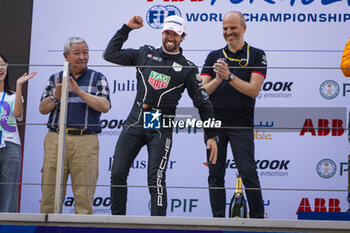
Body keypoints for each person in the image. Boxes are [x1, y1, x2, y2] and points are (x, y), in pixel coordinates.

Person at [103, 15, 218, 216]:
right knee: (118, 172)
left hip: (161, 124)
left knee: (155, 178)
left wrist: (210, 135)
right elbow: (109, 54)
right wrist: (126, 28)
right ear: (162, 33)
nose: (170, 37)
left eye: (176, 33)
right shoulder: (145, 53)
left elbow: (203, 103)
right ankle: (117, 222)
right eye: (167, 32)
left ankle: (158, 225)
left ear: (183, 37)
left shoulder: (189, 68)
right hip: (136, 118)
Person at [200, 11, 267, 218]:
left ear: (244, 28)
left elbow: (253, 90)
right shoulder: (213, 56)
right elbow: (202, 92)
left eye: (233, 28)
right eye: (225, 29)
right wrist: (219, 79)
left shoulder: (257, 54)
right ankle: (218, 222)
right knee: (215, 174)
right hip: (214, 125)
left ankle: (258, 221)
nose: (229, 32)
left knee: (248, 172)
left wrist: (228, 76)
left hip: (241, 124)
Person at [39, 37, 111, 214]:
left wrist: (79, 91)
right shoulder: (55, 78)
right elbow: (42, 109)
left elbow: (105, 106)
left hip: (85, 141)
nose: (82, 57)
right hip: (56, 138)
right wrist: (56, 95)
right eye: (77, 53)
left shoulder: (98, 78)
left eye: (85, 52)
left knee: (84, 198)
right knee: (50, 195)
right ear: (66, 56)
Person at [0, 54, 36, 212]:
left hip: (11, 145)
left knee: (9, 192)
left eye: (2, 64)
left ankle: (7, 227)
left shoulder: (13, 95)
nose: (0, 68)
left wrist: (19, 85)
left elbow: (17, 114)